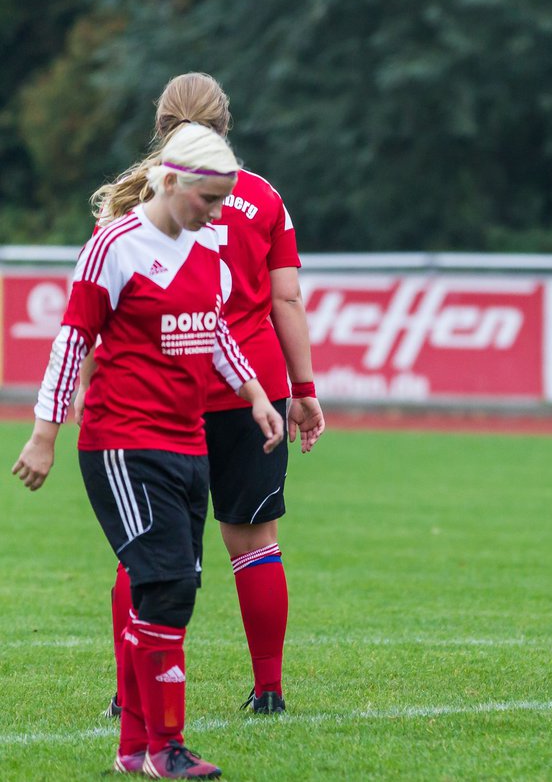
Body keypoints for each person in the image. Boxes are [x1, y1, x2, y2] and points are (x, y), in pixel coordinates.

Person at [11, 123, 284, 777]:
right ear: (171, 182)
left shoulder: (208, 248)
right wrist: (45, 434)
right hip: (123, 443)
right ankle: (166, 748)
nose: (216, 213)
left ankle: (135, 751)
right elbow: (72, 340)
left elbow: (213, 330)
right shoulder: (116, 246)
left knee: (170, 590)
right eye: (207, 200)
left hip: (187, 440)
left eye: (222, 201)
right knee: (165, 588)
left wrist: (254, 393)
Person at [88, 72, 325, 717]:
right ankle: (269, 689)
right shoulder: (262, 196)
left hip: (167, 395)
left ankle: (128, 690)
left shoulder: (140, 197)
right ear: (227, 123)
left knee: (147, 549)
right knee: (255, 541)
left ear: (161, 127)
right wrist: (302, 389)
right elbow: (286, 299)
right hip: (255, 388)